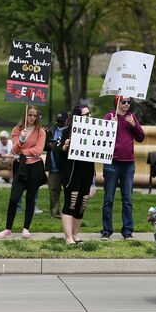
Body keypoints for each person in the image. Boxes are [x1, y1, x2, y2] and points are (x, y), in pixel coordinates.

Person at [0, 105, 47, 239]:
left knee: (30, 198)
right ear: (25, 115)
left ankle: (26, 228)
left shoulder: (40, 131)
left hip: (34, 167)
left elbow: (38, 150)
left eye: (35, 116)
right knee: (14, 198)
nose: (32, 118)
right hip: (20, 167)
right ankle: (8, 228)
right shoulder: (17, 130)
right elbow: (15, 150)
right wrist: (21, 140)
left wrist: (23, 151)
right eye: (30, 115)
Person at [101, 96, 145, 241]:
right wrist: (110, 126)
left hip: (128, 164)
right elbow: (101, 137)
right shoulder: (109, 116)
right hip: (111, 163)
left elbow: (140, 137)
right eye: (123, 102)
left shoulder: (132, 117)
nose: (126, 104)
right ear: (117, 103)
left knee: (127, 199)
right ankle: (106, 231)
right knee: (108, 198)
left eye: (128, 102)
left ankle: (127, 231)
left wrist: (134, 125)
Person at [59, 105, 96, 244]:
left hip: (87, 171)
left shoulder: (94, 131)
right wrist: (65, 146)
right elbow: (59, 152)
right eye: (85, 114)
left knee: (82, 203)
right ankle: (68, 237)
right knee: (71, 202)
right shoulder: (67, 131)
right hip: (72, 171)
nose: (88, 116)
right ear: (77, 117)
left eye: (89, 113)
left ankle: (75, 235)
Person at [44, 111, 68, 218]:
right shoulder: (51, 130)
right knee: (53, 191)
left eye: (62, 121)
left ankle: (68, 213)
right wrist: (47, 141)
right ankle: (55, 213)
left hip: (66, 166)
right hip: (53, 167)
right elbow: (44, 147)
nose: (59, 123)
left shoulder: (70, 131)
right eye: (58, 121)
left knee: (68, 191)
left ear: (66, 120)